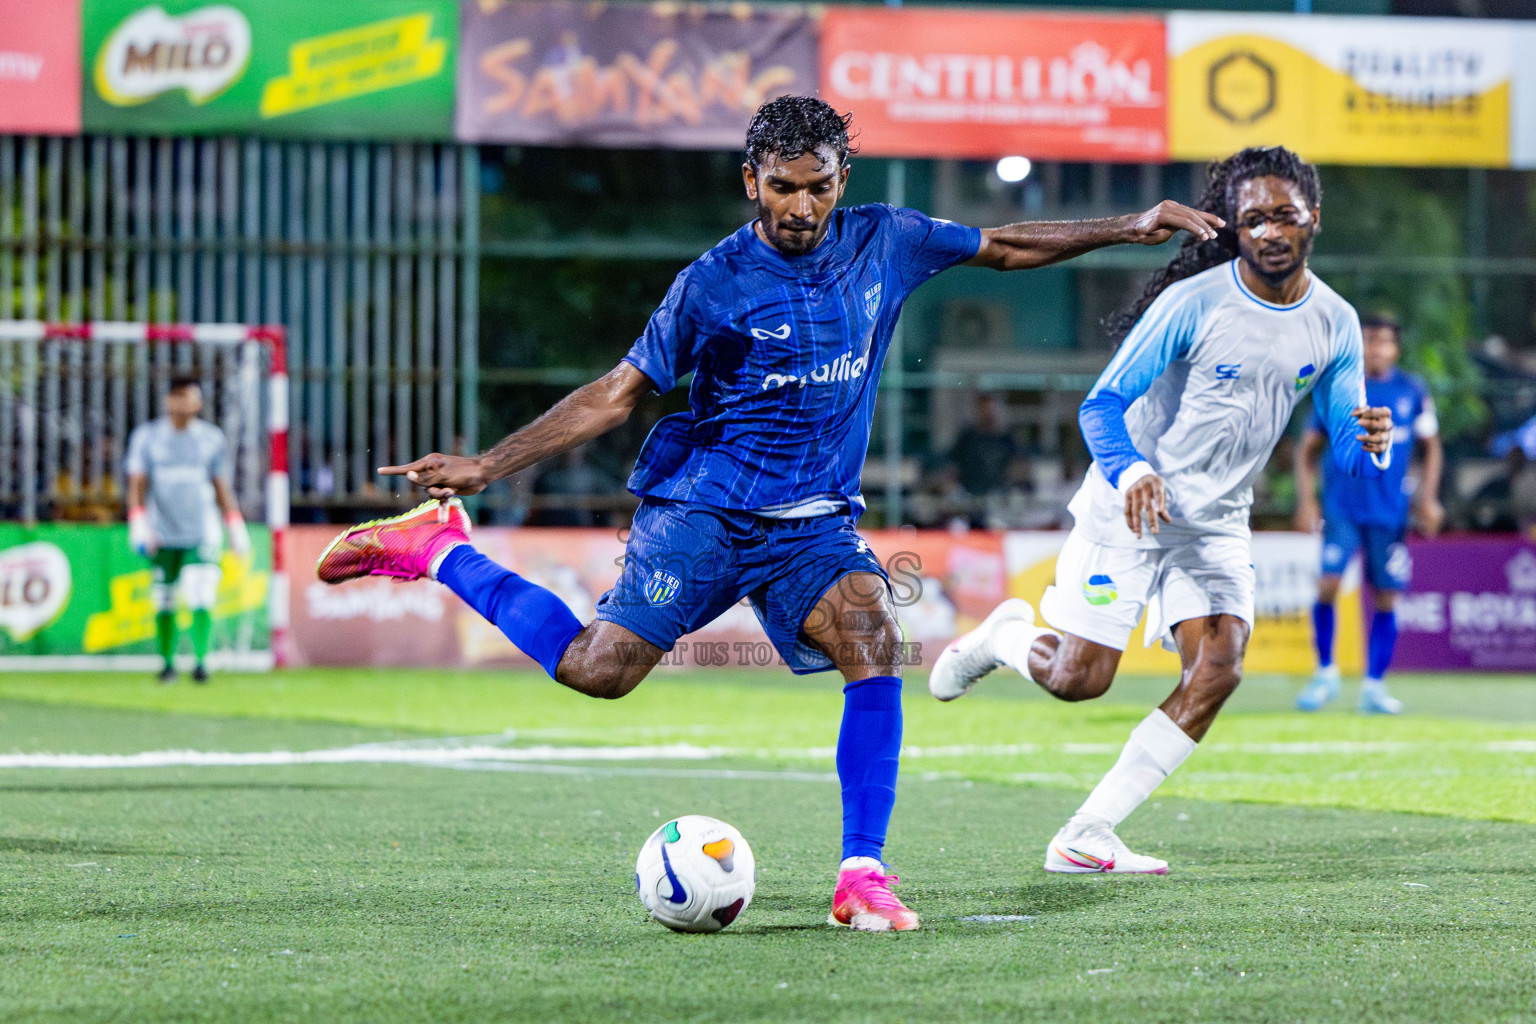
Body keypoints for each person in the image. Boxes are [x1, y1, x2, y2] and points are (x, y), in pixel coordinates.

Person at [313, 95, 1221, 927]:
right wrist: (490, 464)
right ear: (751, 180)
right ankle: (438, 551)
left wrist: (1128, 225)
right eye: (781, 187)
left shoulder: (887, 240)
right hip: (704, 511)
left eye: (817, 187)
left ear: (841, 182)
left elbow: (1006, 246)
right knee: (598, 671)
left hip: (815, 524)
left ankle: (862, 872)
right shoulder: (712, 282)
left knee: (871, 636)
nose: (800, 207)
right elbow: (618, 393)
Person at [927, 146, 1392, 875]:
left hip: (1215, 521)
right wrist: (1135, 470)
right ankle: (1006, 639)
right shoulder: (1193, 304)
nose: (1270, 231)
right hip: (1130, 504)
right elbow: (1101, 405)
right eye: (1253, 218)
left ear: (1314, 219)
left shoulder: (1335, 322)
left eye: (1285, 215)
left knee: (1219, 667)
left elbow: (1344, 440)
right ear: (1234, 228)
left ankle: (1087, 832)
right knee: (1080, 679)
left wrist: (1368, 438)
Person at [1294, 313, 1442, 715]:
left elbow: (1432, 447)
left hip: (1390, 513)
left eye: (1382, 341)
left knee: (1386, 595)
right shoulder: (1340, 387)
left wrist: (1427, 498)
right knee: (1328, 583)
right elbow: (1307, 449)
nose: (1374, 348)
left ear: (1395, 348)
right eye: (1368, 340)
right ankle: (1325, 672)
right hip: (1342, 507)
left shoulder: (1412, 390)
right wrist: (1307, 500)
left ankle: (1374, 685)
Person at [125, 375, 250, 683]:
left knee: (200, 591)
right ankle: (167, 664)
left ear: (199, 403)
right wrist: (138, 521)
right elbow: (138, 482)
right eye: (178, 397)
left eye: (191, 398)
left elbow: (220, 484)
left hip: (202, 530)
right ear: (169, 401)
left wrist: (234, 524)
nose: (184, 404)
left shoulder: (211, 438)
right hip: (162, 530)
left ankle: (201, 663)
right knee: (164, 597)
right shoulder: (147, 437)